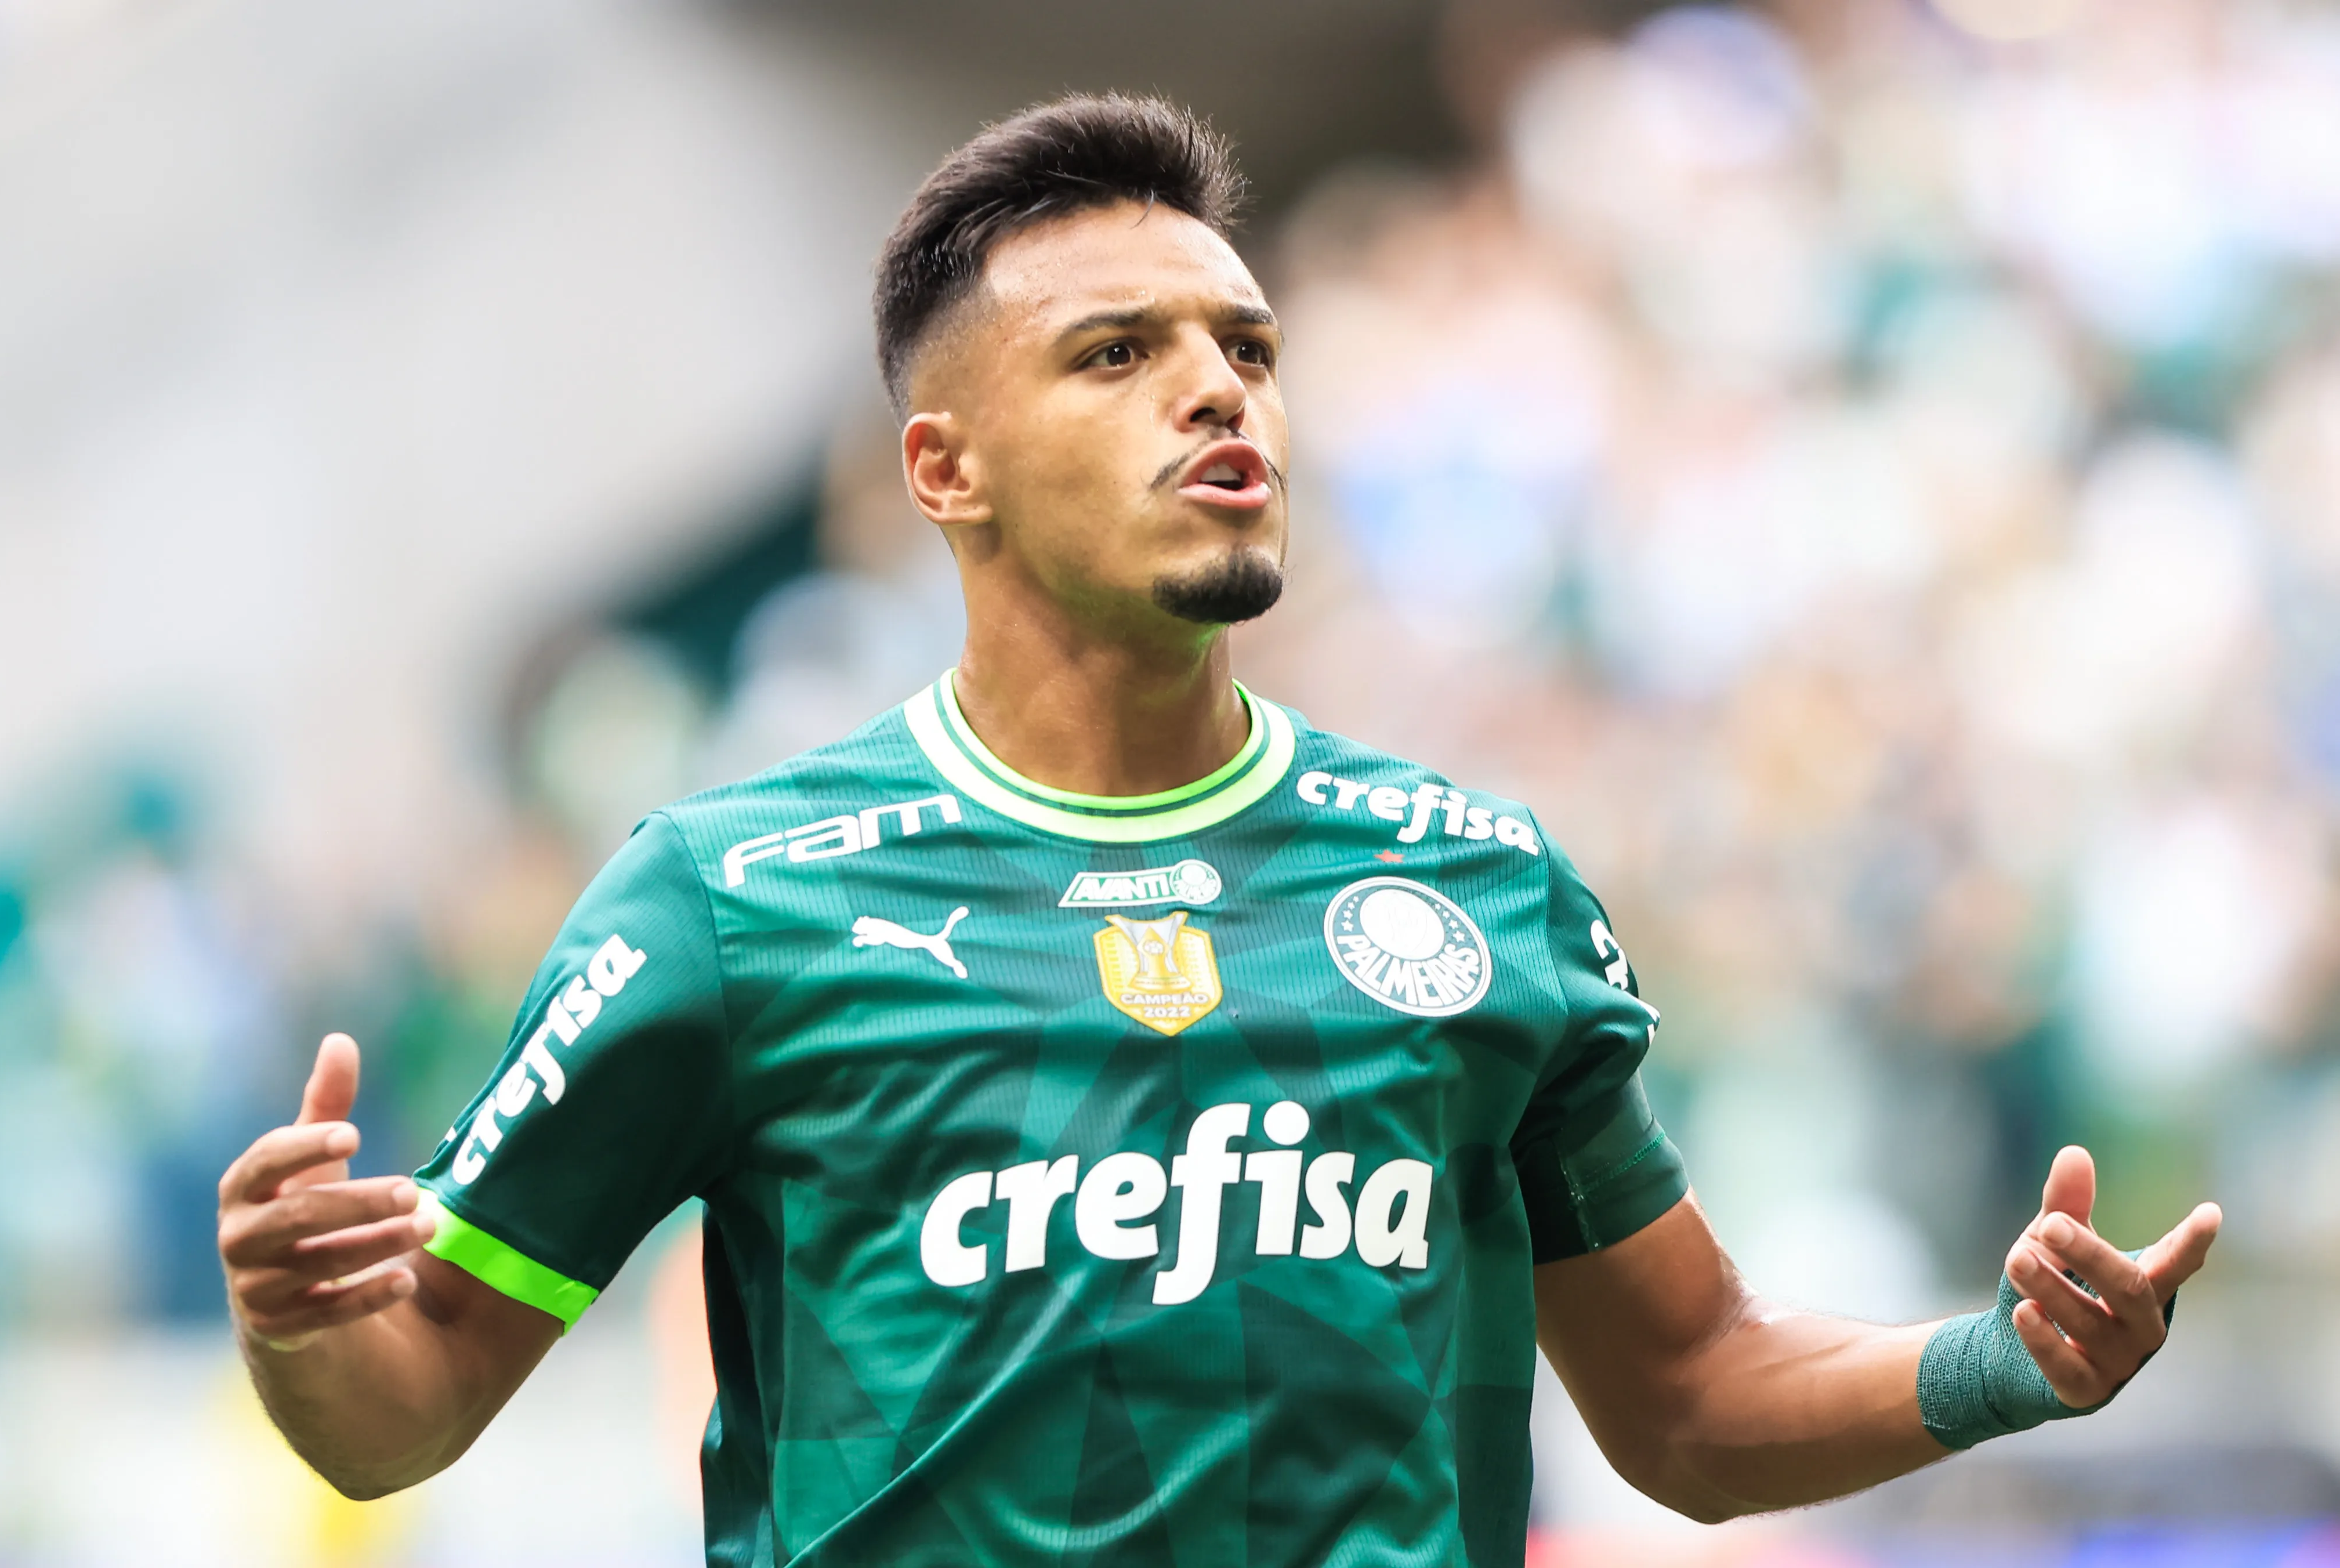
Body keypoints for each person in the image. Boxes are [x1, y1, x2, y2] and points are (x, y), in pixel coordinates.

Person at [216, 95, 2222, 1565]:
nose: (1221, 393)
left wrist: (2003, 1365)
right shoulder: (730, 901)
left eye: (1246, 345)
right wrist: (302, 1324)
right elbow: (406, 1404)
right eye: (1122, 354)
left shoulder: (1467, 880)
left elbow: (1688, 1399)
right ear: (947, 468)